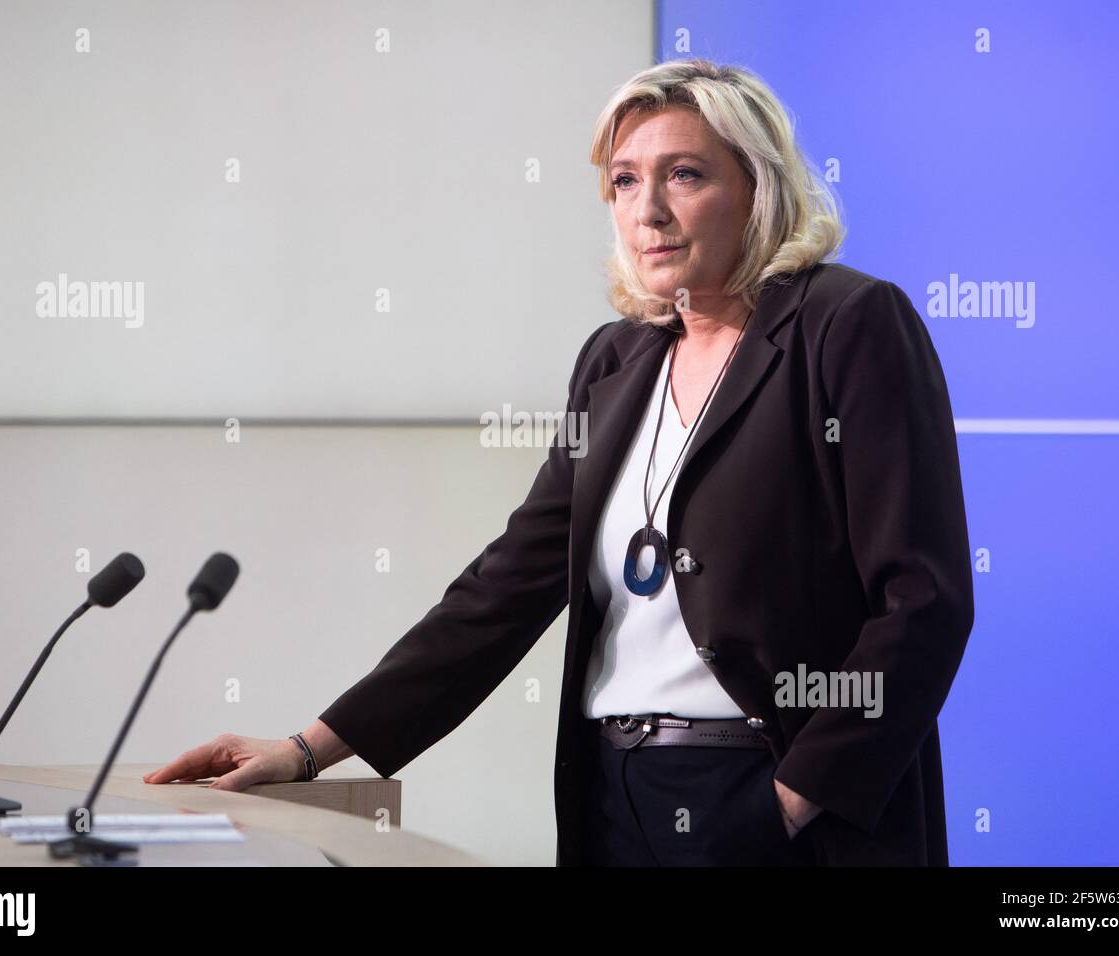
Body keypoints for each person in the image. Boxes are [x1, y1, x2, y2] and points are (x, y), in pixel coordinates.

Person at [145, 58, 974, 867]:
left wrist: (794, 800)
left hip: (770, 792)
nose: (647, 211)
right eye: (622, 181)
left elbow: (922, 600)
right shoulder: (614, 362)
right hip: (614, 792)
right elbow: (507, 586)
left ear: (759, 191)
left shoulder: (848, 322)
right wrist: (311, 747)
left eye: (683, 175)